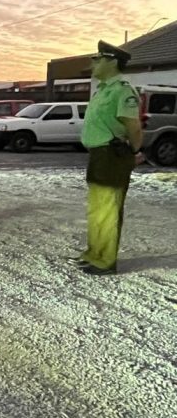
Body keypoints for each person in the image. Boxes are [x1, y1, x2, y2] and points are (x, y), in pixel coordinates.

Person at [71, 41, 144, 275]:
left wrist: (133, 152)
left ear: (112, 61)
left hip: (112, 155)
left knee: (109, 209)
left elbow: (133, 127)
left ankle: (106, 261)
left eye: (98, 59)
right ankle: (94, 253)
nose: (93, 63)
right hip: (98, 154)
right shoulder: (103, 89)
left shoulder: (123, 90)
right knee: (97, 208)